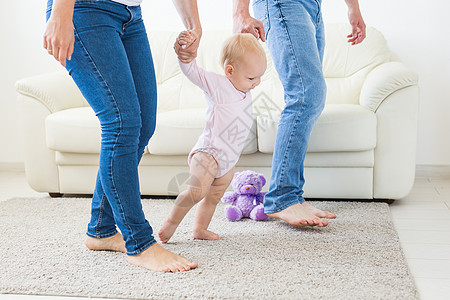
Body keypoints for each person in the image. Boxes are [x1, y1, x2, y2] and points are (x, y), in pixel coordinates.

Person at [43, 0, 204, 272]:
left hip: (131, 15)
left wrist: (194, 25)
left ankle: (101, 229)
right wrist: (60, 11)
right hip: (85, 10)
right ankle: (139, 242)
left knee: (143, 126)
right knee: (121, 123)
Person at [229, 0, 367, 227]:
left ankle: (292, 195)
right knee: (305, 94)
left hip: (312, 6)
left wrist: (353, 7)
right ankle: (283, 197)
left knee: (309, 96)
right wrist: (239, 12)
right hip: (283, 3)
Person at [158, 32, 267, 243]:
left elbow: (244, 50)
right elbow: (194, 73)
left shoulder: (245, 87)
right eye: (252, 78)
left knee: (213, 197)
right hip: (208, 152)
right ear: (229, 71)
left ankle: (200, 229)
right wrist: (185, 57)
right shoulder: (218, 85)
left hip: (228, 160)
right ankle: (170, 224)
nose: (257, 83)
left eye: (260, 77)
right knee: (196, 192)